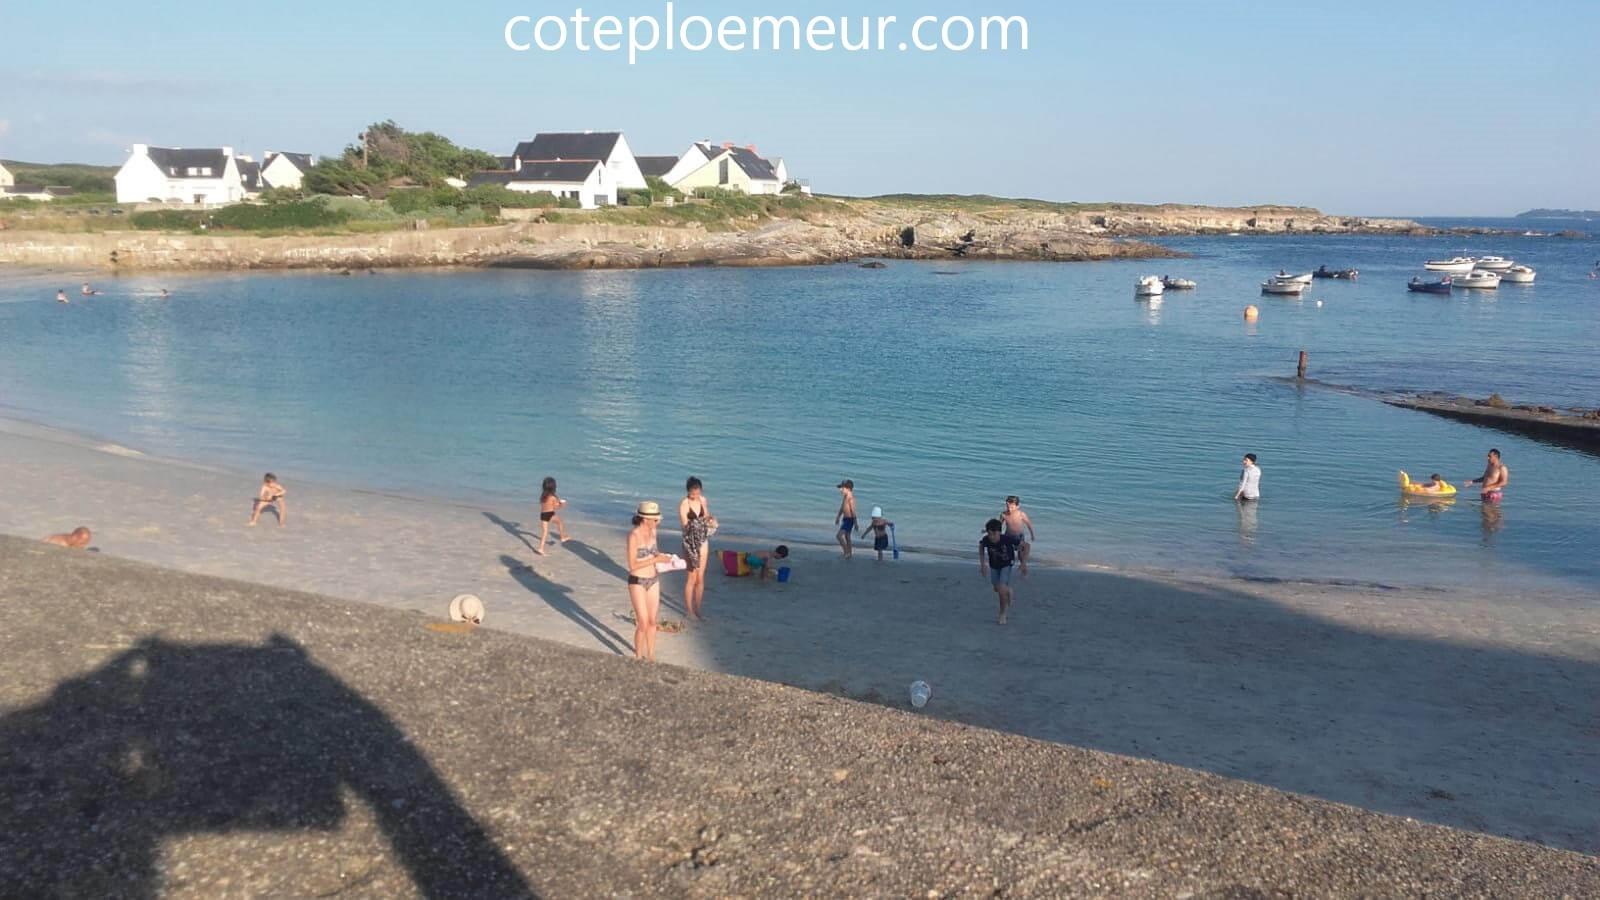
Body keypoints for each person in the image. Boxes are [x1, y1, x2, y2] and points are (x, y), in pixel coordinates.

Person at [626, 501, 677, 662]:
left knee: (652, 622)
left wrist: (666, 559)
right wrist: (654, 559)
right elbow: (632, 565)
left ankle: (652, 655)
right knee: (642, 622)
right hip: (637, 581)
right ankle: (638, 655)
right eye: (654, 519)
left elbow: (655, 553)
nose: (657, 522)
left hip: (653, 579)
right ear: (644, 519)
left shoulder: (653, 531)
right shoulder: (633, 535)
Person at [679, 476, 715, 620]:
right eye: (693, 493)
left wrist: (711, 520)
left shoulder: (703, 500)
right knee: (691, 577)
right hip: (690, 542)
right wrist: (696, 525)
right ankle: (689, 611)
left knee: (700, 578)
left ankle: (698, 608)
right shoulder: (684, 504)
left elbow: (706, 516)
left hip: (703, 541)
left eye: (697, 493)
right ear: (688, 491)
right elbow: (684, 525)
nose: (695, 496)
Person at [978, 518, 1025, 625]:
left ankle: (1002, 614)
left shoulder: (1007, 539)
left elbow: (1024, 545)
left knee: (1001, 589)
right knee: (996, 588)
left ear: (999, 532)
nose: (992, 537)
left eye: (994, 534)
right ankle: (1009, 590)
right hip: (994, 566)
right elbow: (981, 547)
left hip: (1007, 564)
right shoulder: (986, 539)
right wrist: (982, 564)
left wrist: (1023, 562)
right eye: (989, 534)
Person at [535, 476, 569, 554]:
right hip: (550, 514)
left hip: (543, 514)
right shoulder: (553, 497)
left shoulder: (543, 496)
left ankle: (541, 548)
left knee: (545, 532)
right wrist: (562, 504)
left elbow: (544, 505)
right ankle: (562, 537)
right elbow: (556, 507)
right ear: (554, 487)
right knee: (560, 522)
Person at [999, 496, 1035, 568]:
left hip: (1019, 536)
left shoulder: (1021, 514)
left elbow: (1029, 524)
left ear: (1017, 506)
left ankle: (1023, 566)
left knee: (1020, 555)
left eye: (1012, 507)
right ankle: (1006, 566)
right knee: (1006, 552)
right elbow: (999, 525)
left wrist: (1032, 534)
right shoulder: (1004, 514)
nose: (1009, 509)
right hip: (1008, 536)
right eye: (1007, 506)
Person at [834, 479, 857, 558]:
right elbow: (842, 507)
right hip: (845, 519)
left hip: (849, 520)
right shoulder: (845, 497)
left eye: (842, 488)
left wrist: (856, 523)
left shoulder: (850, 498)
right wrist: (838, 516)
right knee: (847, 537)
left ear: (848, 489)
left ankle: (846, 552)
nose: (841, 490)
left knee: (839, 536)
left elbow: (853, 511)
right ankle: (849, 553)